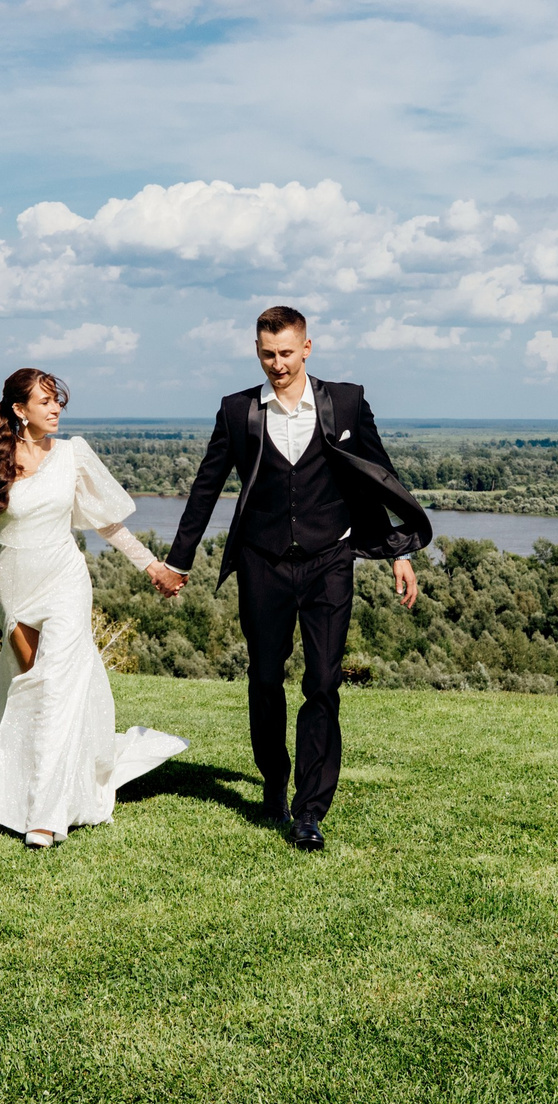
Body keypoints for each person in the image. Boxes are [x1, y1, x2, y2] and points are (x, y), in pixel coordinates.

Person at [152, 306, 431, 852]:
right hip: (263, 563)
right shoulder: (238, 411)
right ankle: (274, 781)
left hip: (330, 559)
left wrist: (398, 550)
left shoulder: (346, 402)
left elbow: (376, 477)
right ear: (257, 351)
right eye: (266, 354)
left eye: (285, 353)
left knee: (323, 683)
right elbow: (206, 488)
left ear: (307, 348)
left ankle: (309, 811)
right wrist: (178, 561)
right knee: (263, 678)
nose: (277, 364)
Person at [0, 367, 187, 848]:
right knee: (32, 686)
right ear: (20, 410)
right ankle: (45, 783)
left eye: (58, 401)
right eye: (45, 402)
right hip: (17, 585)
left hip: (66, 579)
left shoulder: (73, 454)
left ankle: (44, 817)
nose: (56, 409)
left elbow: (106, 525)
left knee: (56, 689)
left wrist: (151, 567)